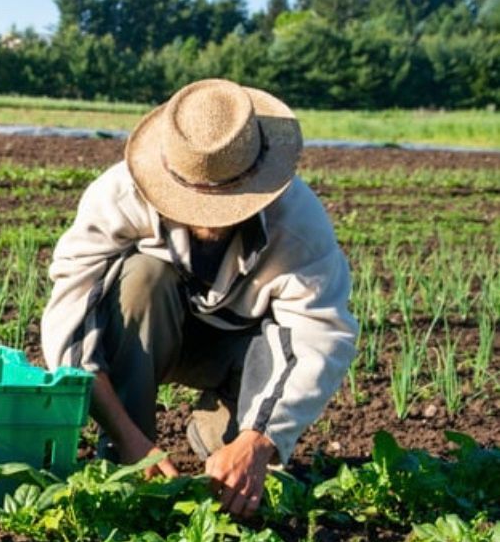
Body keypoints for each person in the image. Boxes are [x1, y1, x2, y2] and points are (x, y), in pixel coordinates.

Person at [40, 78, 358, 517]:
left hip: (238, 350)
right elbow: (71, 324)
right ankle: (124, 458)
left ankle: (221, 429)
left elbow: (318, 336)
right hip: (152, 332)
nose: (209, 219)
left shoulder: (298, 223)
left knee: (240, 476)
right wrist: (131, 441)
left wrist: (259, 440)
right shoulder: (119, 195)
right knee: (141, 278)